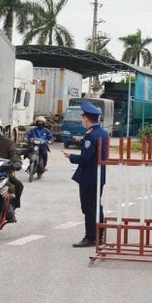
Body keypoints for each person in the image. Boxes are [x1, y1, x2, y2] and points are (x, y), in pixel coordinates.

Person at [63, 102, 109, 248]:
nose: (83, 120)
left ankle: (90, 237)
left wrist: (70, 156)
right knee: (96, 206)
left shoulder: (90, 135)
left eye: (83, 118)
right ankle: (99, 236)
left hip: (89, 177)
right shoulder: (103, 133)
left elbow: (85, 158)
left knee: (88, 207)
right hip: (99, 175)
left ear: (86, 119)